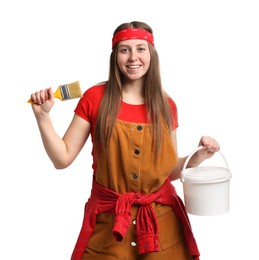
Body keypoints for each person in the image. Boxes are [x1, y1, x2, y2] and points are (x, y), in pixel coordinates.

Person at [30, 21, 220, 260]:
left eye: (141, 48)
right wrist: (43, 117)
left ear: (151, 54)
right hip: (109, 226)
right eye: (124, 50)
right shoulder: (95, 98)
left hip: (162, 226)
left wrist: (199, 155)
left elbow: (169, 170)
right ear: (115, 56)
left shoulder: (166, 105)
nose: (133, 57)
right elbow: (62, 158)